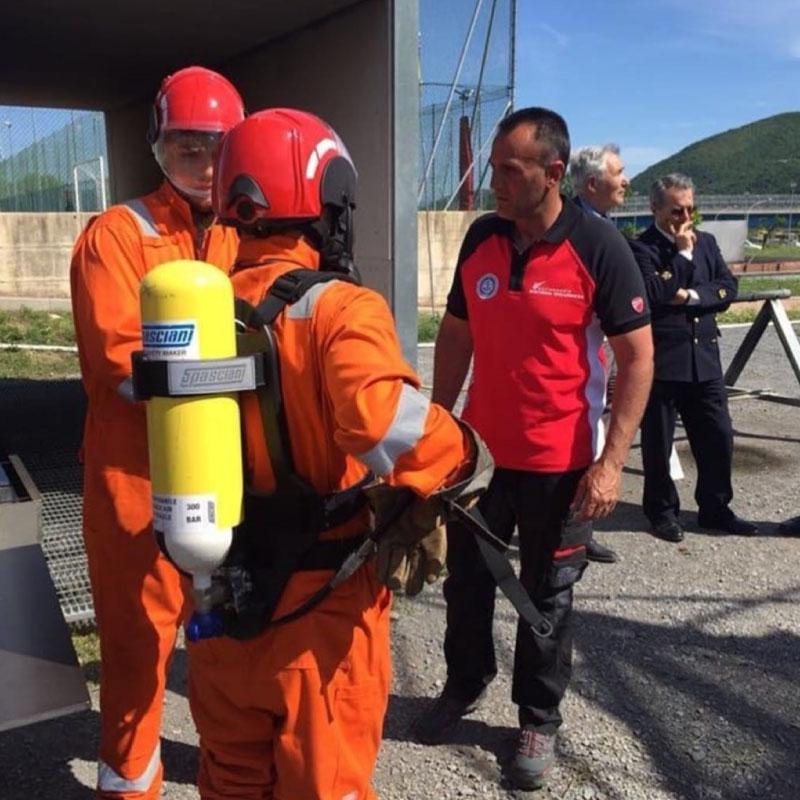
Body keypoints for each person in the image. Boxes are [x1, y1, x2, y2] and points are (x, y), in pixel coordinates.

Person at [184, 108, 492, 799]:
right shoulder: (339, 308)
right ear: (326, 203)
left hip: (216, 602)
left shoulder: (198, 314)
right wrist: (467, 453)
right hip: (317, 617)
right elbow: (384, 425)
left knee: (230, 779)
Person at [413, 107, 654, 790]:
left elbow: (637, 360)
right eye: (493, 167)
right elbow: (457, 333)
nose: (494, 181)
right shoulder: (482, 238)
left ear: (552, 174)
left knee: (546, 598)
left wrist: (610, 465)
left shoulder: (599, 247)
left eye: (508, 171)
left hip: (564, 463)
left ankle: (536, 719)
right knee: (466, 585)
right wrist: (440, 424)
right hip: (483, 460)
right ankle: (464, 683)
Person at [70, 66, 244, 799]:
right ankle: (128, 785)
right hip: (134, 487)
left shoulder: (249, 236)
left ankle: (230, 777)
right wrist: (234, 378)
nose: (202, 168)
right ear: (156, 149)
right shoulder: (117, 236)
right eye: (185, 150)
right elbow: (117, 361)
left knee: (232, 650)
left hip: (226, 478)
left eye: (216, 150)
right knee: (139, 653)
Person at [633, 173, 758, 542]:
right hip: (664, 359)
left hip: (704, 358)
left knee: (718, 436)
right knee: (658, 441)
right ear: (655, 208)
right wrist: (682, 257)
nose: (684, 217)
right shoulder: (642, 249)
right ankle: (661, 511)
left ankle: (715, 508)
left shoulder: (707, 242)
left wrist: (689, 296)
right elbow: (654, 293)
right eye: (675, 210)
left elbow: (727, 287)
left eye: (690, 208)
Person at [570, 143, 630, 563]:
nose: (626, 181)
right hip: (571, 366)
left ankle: (578, 530)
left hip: (599, 356)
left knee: (592, 442)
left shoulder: (605, 228)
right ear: (593, 184)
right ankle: (566, 536)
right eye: (619, 173)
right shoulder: (574, 231)